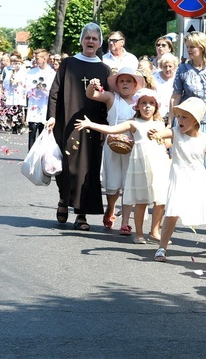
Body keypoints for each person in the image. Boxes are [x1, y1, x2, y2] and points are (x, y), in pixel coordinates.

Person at [75, 88, 169, 245]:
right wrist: (90, 124)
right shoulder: (133, 123)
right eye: (143, 103)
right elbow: (111, 130)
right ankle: (139, 233)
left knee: (160, 200)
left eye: (151, 103)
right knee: (142, 200)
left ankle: (154, 232)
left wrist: (164, 139)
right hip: (141, 165)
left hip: (158, 164)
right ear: (137, 106)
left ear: (156, 107)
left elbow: (167, 142)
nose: (147, 106)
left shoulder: (160, 124)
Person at [46, 22, 111, 231]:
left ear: (100, 43)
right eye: (87, 37)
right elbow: (55, 92)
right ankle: (63, 200)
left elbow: (107, 100)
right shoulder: (68, 63)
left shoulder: (104, 69)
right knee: (66, 165)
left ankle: (81, 214)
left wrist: (105, 128)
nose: (90, 41)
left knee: (88, 169)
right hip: (67, 122)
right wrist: (52, 117)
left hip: (93, 126)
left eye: (94, 38)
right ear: (82, 41)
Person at [149, 97, 206, 262]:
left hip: (198, 178)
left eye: (184, 117)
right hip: (179, 177)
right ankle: (162, 247)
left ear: (196, 121)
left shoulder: (204, 139)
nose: (180, 120)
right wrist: (155, 134)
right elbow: (163, 134)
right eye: (179, 116)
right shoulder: (175, 132)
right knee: (172, 213)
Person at [85, 67, 146, 234]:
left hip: (132, 145)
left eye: (128, 81)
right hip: (112, 144)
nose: (125, 84)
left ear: (135, 84)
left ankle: (125, 222)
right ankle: (110, 208)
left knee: (129, 184)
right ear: (117, 84)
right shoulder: (112, 98)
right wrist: (92, 85)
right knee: (113, 184)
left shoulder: (140, 100)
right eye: (122, 81)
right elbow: (92, 95)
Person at [170, 31, 206, 196]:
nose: (189, 50)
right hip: (186, 124)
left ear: (203, 48)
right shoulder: (183, 69)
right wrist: (171, 121)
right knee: (184, 165)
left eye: (193, 47)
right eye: (187, 47)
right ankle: (182, 201)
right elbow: (176, 96)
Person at [25, 50, 56, 149]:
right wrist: (33, 89)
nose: (35, 60)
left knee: (43, 131)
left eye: (37, 58)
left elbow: (53, 91)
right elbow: (27, 88)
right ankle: (31, 154)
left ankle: (42, 154)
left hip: (45, 104)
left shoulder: (52, 73)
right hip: (34, 103)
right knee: (32, 129)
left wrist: (44, 89)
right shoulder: (32, 72)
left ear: (44, 58)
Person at [153, 53, 178, 123]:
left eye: (170, 66)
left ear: (175, 66)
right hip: (159, 114)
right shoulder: (154, 78)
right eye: (165, 66)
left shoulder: (178, 77)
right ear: (161, 66)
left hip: (175, 114)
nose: (167, 69)